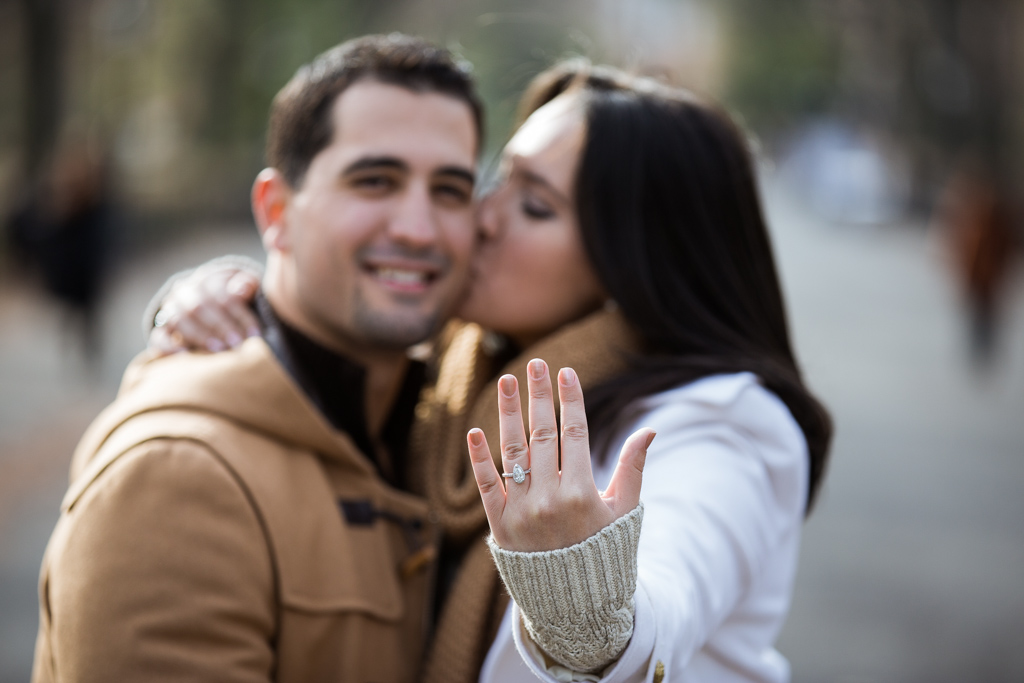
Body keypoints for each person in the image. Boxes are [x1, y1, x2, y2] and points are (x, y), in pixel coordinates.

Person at [149, 62, 833, 683]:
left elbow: (673, 586)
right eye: (498, 180)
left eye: (534, 206)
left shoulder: (723, 425)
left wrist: (585, 605)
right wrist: (234, 299)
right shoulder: (456, 382)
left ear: (633, 265)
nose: (480, 219)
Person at [31, 34, 483, 683]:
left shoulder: (443, 439)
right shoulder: (176, 478)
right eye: (374, 181)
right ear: (276, 211)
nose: (418, 228)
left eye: (450, 189)